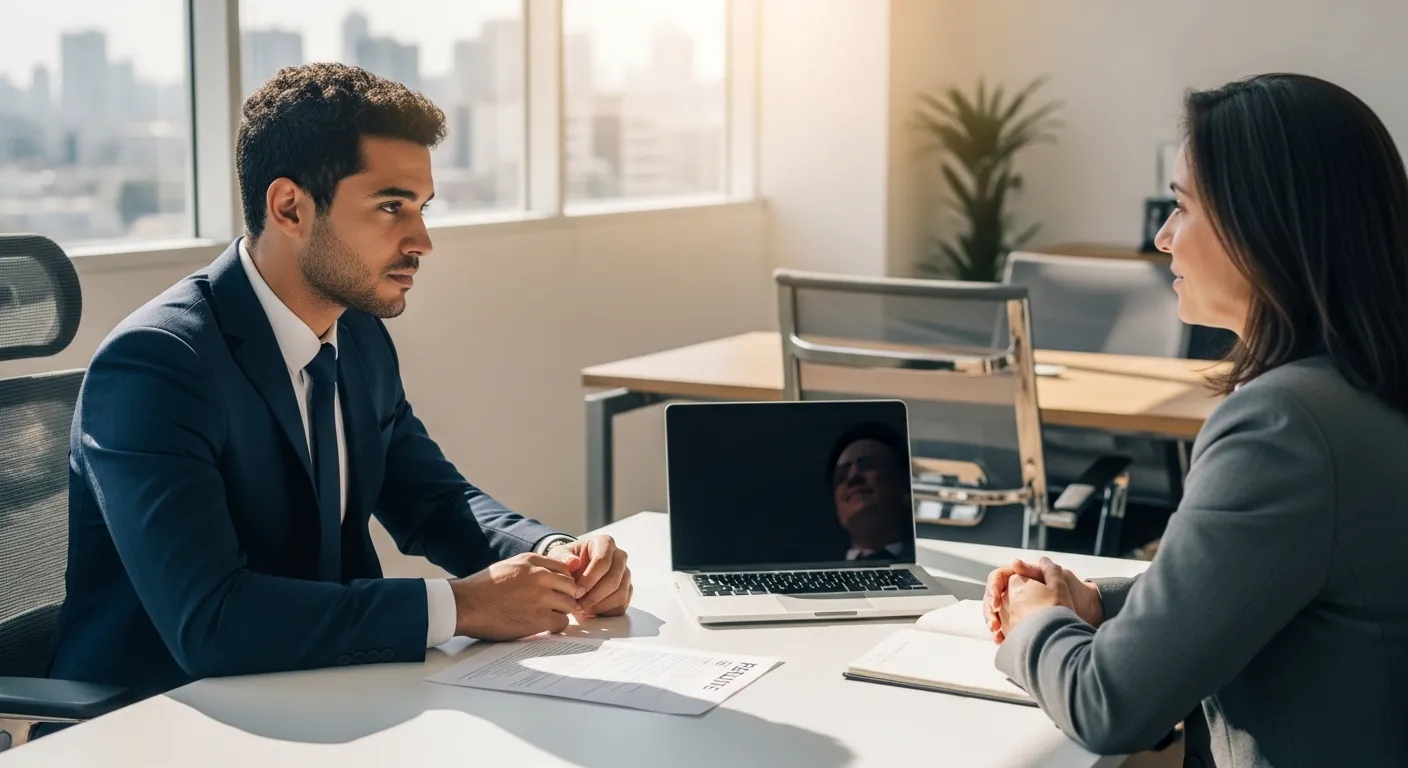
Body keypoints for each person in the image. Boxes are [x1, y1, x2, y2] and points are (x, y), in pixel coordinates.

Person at [47, 64, 633, 706]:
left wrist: (556, 557)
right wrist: (460, 606)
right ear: (290, 207)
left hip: (325, 691)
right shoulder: (157, 364)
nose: (422, 242)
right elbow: (212, 622)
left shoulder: (356, 336)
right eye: (391, 207)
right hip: (163, 717)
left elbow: (433, 502)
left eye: (421, 208)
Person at [982, 73, 1408, 767]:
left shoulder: (1283, 425)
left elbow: (1109, 704)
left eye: (1182, 207)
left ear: (1263, 222)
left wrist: (1034, 624)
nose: (1161, 237)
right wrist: (1095, 605)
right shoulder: (1365, 387)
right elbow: (1271, 576)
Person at [825, 423, 914, 562]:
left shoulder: (932, 565)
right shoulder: (813, 577)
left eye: (868, 465)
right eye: (841, 476)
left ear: (903, 486)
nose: (852, 477)